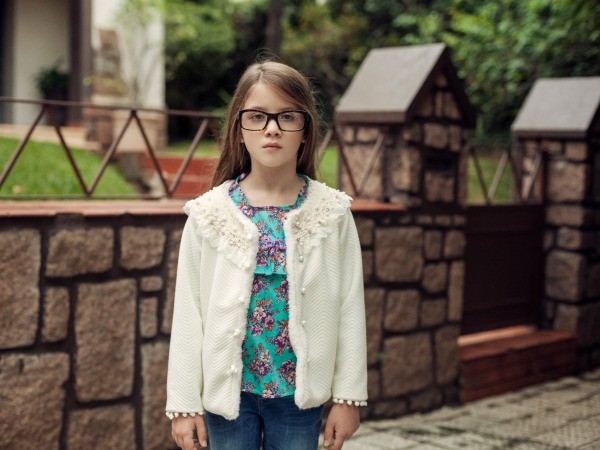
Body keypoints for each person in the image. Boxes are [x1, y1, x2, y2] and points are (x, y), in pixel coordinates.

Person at [166, 61, 367, 450]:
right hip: (228, 399)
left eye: (287, 116)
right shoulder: (208, 214)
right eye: (257, 116)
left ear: (305, 130)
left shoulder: (332, 213)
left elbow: (349, 307)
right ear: (239, 129)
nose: (272, 128)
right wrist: (184, 404)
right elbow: (189, 314)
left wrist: (348, 398)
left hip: (298, 399)